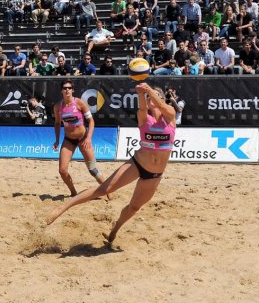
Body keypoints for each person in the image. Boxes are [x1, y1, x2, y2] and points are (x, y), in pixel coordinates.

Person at [46, 82, 176, 244]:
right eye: (148, 97)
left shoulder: (170, 117)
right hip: (137, 164)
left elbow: (164, 106)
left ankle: (114, 230)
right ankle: (63, 208)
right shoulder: (144, 117)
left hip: (155, 175)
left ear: (161, 98)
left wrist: (149, 90)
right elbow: (142, 108)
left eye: (155, 97)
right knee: (103, 188)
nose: (151, 99)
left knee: (134, 208)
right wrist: (141, 93)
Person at [51, 80, 106, 197]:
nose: (67, 90)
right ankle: (73, 193)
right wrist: (56, 140)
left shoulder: (79, 103)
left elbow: (91, 121)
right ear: (61, 90)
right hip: (68, 140)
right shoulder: (58, 107)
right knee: (62, 171)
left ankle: (108, 192)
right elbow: (57, 123)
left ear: (72, 90)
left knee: (92, 169)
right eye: (65, 88)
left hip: (83, 138)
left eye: (69, 88)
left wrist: (88, 138)